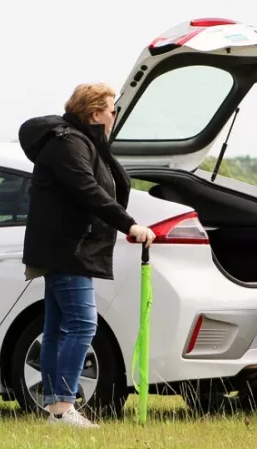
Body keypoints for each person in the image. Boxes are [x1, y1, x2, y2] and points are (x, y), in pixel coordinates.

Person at [17, 83, 155, 428]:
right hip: (69, 249)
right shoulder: (69, 143)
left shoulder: (80, 142)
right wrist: (129, 224)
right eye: (112, 109)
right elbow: (88, 190)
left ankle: (56, 409)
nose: (115, 115)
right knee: (82, 324)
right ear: (95, 113)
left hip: (66, 247)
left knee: (58, 327)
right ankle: (64, 406)